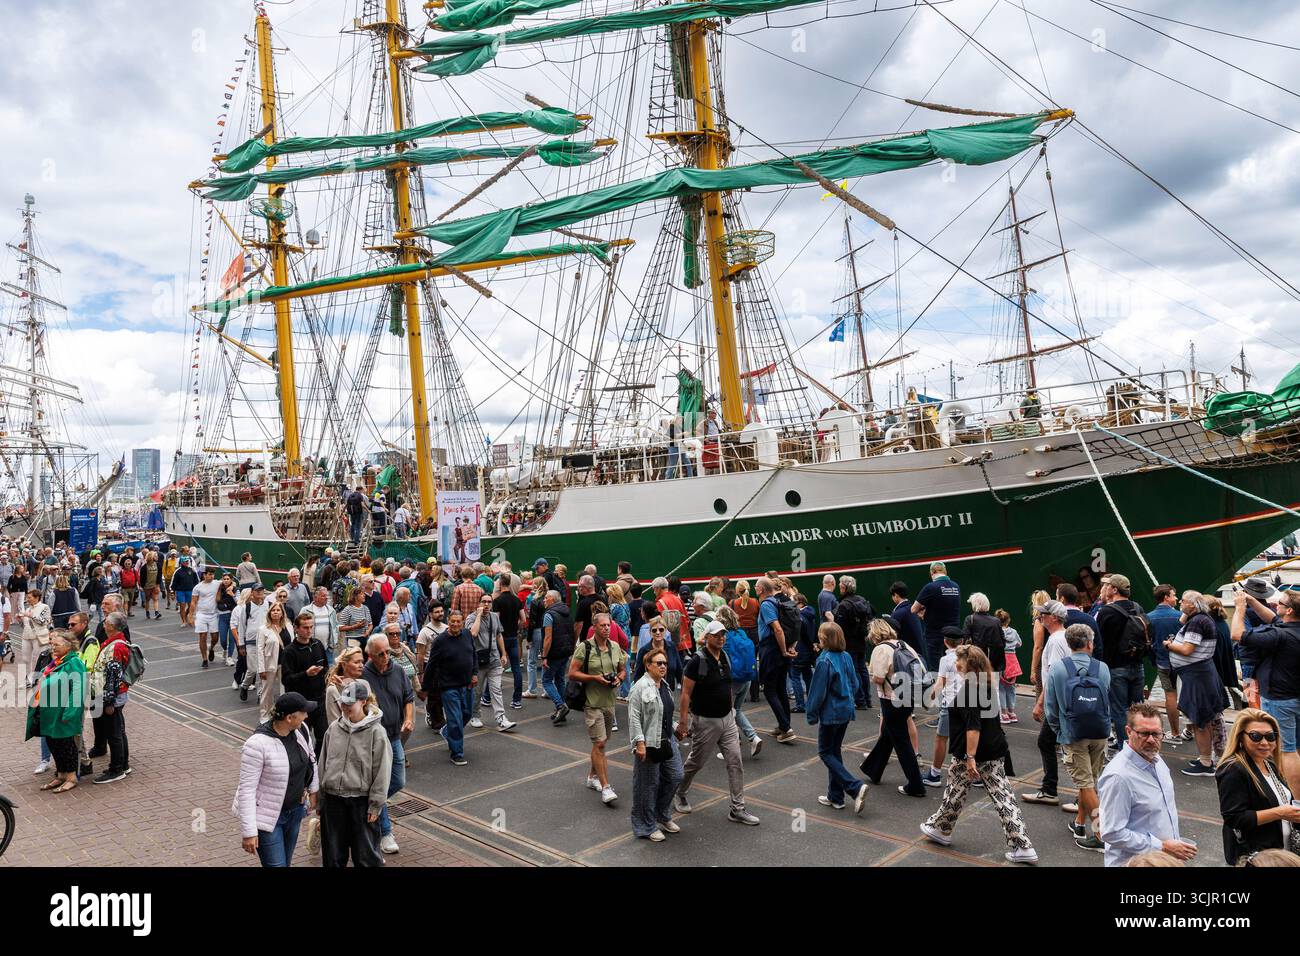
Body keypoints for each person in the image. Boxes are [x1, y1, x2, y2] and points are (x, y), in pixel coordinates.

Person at [921, 646, 1038, 864]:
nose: (955, 664)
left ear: (970, 665)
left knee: (958, 793)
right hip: (992, 749)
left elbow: (973, 728)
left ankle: (941, 829)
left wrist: (970, 757)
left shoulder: (970, 689)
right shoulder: (985, 682)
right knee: (997, 796)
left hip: (972, 754)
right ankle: (1022, 845)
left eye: (959, 661)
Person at [674, 620, 760, 825]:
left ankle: (737, 809)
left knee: (735, 762)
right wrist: (684, 722)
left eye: (723, 634)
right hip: (705, 722)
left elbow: (727, 685)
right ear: (707, 637)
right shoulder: (697, 661)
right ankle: (679, 792)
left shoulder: (725, 657)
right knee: (696, 762)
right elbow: (686, 693)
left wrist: (731, 710)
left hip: (727, 720)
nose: (721, 638)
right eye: (717, 635)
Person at [1096, 702, 1197, 867]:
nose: (1151, 740)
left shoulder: (1157, 760)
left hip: (1165, 859)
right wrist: (1162, 846)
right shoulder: (1118, 777)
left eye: (1156, 734)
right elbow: (1111, 832)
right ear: (1128, 732)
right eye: (1144, 733)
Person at [1045, 622, 1112, 851]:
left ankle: (1101, 832)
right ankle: (1079, 823)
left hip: (1073, 733)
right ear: (1090, 643)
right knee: (1089, 783)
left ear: (1069, 643)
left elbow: (1051, 707)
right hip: (1100, 732)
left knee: (1085, 783)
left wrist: (1058, 730)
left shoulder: (1058, 669)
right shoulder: (1102, 668)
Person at [233, 691, 320, 867]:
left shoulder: (301, 730)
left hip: (295, 811)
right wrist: (249, 832)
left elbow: (311, 759)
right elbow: (246, 790)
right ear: (289, 718)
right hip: (268, 819)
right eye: (303, 712)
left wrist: (313, 789)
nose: (306, 715)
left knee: (285, 863)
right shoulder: (257, 745)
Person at [1232, 586, 1300, 798]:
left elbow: (1236, 634)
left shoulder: (1279, 636)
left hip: (1281, 699)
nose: (1276, 604)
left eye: (1280, 603)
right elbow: (1273, 618)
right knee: (1297, 748)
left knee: (1286, 751)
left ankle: (1296, 801)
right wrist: (1252, 602)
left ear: (1289, 611)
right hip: (1294, 695)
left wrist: (1240, 608)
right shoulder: (1290, 629)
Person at [317, 676, 390, 867]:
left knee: (366, 859)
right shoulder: (333, 728)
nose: (345, 707)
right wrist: (321, 799)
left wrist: (376, 805)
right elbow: (323, 762)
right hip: (333, 801)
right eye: (343, 703)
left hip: (361, 802)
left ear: (364, 701)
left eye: (350, 703)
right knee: (333, 859)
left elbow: (382, 772)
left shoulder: (377, 733)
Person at [1215, 708, 1300, 865]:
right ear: (1240, 737)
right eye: (1255, 736)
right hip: (1258, 857)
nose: (1264, 742)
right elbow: (1234, 818)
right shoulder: (1233, 769)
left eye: (1270, 736)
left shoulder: (1269, 763)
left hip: (1281, 850)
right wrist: (1280, 813)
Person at [806, 621, 869, 813]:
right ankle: (836, 797)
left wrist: (812, 714)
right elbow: (855, 683)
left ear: (824, 638)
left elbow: (817, 693)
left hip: (830, 714)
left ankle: (854, 787)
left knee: (825, 752)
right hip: (845, 711)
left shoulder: (824, 661)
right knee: (835, 751)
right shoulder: (846, 656)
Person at [861, 618, 928, 797]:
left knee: (900, 741)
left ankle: (916, 785)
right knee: (889, 736)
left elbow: (879, 678)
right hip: (908, 696)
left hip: (891, 699)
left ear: (874, 633)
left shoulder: (880, 649)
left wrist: (872, 674)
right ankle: (873, 769)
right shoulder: (903, 644)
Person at [362, 632, 415, 855]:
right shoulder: (363, 676)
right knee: (381, 784)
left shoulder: (398, 670)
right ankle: (385, 832)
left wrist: (409, 718)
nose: (386, 657)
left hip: (394, 737)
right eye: (381, 654)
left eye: (388, 652)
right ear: (371, 655)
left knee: (398, 781)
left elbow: (408, 698)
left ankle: (369, 804)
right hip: (374, 741)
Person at [1165, 590, 1226, 777]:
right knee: (1203, 718)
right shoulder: (1199, 618)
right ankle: (1205, 758)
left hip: (1197, 675)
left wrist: (1169, 644)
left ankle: (1206, 762)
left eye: (1183, 601)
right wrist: (1191, 607)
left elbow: (1186, 650)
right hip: (1200, 673)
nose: (1179, 603)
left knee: (1200, 719)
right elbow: (1181, 621)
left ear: (1193, 605)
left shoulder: (1199, 622)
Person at [628, 644, 685, 841]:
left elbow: (664, 712)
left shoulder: (665, 685)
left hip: (666, 739)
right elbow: (634, 717)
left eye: (665, 664)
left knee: (676, 775)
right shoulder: (640, 688)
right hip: (649, 741)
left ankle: (662, 814)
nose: (663, 667)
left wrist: (676, 727)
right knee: (647, 785)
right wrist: (639, 743)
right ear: (648, 665)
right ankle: (646, 825)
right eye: (659, 663)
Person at [569, 612, 627, 805]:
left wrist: (619, 678)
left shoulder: (615, 647)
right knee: (600, 743)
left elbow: (623, 669)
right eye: (602, 625)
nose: (607, 628)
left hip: (609, 702)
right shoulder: (584, 648)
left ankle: (592, 777)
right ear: (595, 627)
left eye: (608, 625)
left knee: (600, 743)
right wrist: (594, 678)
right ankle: (606, 787)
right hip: (591, 702)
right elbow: (572, 673)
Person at [1021, 600, 1072, 807]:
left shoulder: (1055, 641)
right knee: (1054, 744)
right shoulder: (1065, 637)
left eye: (1044, 614)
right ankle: (1051, 788)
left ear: (1055, 618)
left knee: (1066, 748)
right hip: (1065, 701)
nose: (1040, 617)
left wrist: (1040, 702)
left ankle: (1054, 790)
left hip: (1057, 703)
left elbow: (1054, 675)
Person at [26, 628, 87, 794]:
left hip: (63, 713)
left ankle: (71, 777)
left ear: (68, 646)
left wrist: (70, 712)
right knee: (54, 743)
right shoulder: (57, 662)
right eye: (52, 644)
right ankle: (60, 775)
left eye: (57, 645)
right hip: (51, 712)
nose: (53, 647)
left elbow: (78, 689)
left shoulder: (74, 663)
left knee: (66, 745)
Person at [1095, 573, 1150, 751]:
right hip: (1137, 664)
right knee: (1138, 709)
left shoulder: (1106, 611)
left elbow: (1099, 641)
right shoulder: (1137, 607)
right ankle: (1141, 743)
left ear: (1114, 589)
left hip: (1115, 666)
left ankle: (1124, 747)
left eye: (1108, 586)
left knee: (1119, 710)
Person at [424, 609, 477, 766]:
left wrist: (474, 673)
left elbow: (473, 654)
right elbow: (432, 664)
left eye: (458, 621)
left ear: (462, 622)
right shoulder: (440, 641)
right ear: (449, 621)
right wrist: (424, 687)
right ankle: (457, 753)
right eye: (452, 621)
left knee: (466, 714)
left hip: (467, 685)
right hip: (449, 687)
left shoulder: (467, 634)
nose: (455, 624)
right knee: (455, 719)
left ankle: (447, 732)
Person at [88, 611, 132, 784]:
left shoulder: (116, 646)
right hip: (112, 695)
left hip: (111, 697)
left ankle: (117, 769)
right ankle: (123, 764)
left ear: (112, 626)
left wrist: (109, 701)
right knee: (117, 730)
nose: (103, 624)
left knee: (114, 733)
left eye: (105, 622)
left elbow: (113, 677)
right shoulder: (114, 643)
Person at [466, 592, 518, 733]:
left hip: (494, 659)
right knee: (477, 692)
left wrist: (503, 653)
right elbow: (473, 634)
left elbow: (499, 634)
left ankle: (501, 719)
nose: (487, 604)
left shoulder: (495, 617)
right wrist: (478, 615)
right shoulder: (471, 618)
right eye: (484, 601)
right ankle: (475, 715)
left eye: (489, 602)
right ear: (479, 603)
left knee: (496, 690)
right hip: (478, 661)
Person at [755, 577, 798, 744]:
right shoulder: (782, 602)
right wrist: (791, 647)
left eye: (757, 587)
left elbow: (778, 629)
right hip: (783, 648)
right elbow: (795, 626)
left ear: (761, 589)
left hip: (772, 649)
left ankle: (786, 729)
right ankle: (782, 725)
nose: (755, 589)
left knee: (769, 689)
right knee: (780, 688)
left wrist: (783, 651)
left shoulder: (766, 604)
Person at [281, 611, 329, 756]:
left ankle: (316, 761)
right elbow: (286, 679)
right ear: (296, 629)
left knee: (324, 736)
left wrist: (327, 674)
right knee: (301, 739)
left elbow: (326, 666)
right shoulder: (290, 651)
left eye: (311, 627)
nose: (309, 631)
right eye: (305, 627)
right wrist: (306, 674)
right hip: (301, 703)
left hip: (319, 700)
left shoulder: (317, 645)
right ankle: (304, 762)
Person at [716, 606, 762, 758]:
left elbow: (722, 660)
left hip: (733, 681)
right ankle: (753, 737)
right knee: (737, 710)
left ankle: (731, 748)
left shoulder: (725, 637)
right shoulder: (741, 633)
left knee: (727, 713)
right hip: (746, 678)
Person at [922, 627, 964, 787]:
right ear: (962, 641)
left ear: (945, 642)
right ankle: (977, 775)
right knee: (968, 736)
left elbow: (940, 684)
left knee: (941, 738)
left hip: (951, 703)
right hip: (970, 702)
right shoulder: (971, 654)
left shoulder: (946, 660)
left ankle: (934, 774)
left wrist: (930, 698)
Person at [1147, 584, 1185, 743]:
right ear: (1166, 597)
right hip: (1183, 661)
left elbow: (1148, 641)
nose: (1176, 598)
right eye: (1174, 595)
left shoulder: (1148, 617)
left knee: (1170, 695)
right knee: (1187, 694)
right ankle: (1188, 730)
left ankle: (1175, 733)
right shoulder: (1181, 616)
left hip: (1162, 662)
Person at [832, 575, 873, 710]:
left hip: (849, 643)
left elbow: (839, 627)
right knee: (862, 670)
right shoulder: (862, 600)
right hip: (861, 640)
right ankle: (867, 699)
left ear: (844, 587)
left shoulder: (844, 605)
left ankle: (860, 701)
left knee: (853, 671)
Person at [912, 561, 960, 671]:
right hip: (953, 634)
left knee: (936, 668)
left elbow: (913, 609)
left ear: (932, 572)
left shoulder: (930, 587)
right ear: (945, 571)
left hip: (935, 636)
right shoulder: (956, 586)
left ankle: (939, 687)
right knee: (953, 666)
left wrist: (923, 612)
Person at [491, 573, 526, 711]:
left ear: (500, 584)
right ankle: (517, 700)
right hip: (513, 637)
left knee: (494, 668)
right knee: (516, 668)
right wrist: (515, 625)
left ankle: (489, 697)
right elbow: (523, 619)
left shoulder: (498, 601)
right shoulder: (517, 600)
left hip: (501, 638)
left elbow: (496, 622)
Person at [541, 590, 574, 724]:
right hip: (565, 651)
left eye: (546, 597)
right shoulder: (566, 611)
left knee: (546, 681)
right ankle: (562, 710)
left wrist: (544, 656)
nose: (544, 600)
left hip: (554, 652)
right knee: (560, 679)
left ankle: (560, 706)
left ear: (552, 600)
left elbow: (548, 638)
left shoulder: (549, 615)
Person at [232, 583, 269, 702]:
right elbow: (242, 627)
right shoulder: (246, 608)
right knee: (252, 669)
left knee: (262, 670)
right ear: (252, 593)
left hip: (265, 642)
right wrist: (241, 644)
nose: (259, 592)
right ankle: (244, 685)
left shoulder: (268, 605)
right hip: (251, 642)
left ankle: (260, 694)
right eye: (257, 590)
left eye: (261, 590)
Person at [256, 600, 291, 723]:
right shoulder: (263, 629)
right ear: (270, 613)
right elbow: (259, 649)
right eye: (273, 610)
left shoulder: (288, 626)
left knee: (284, 691)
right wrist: (261, 669)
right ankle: (265, 715)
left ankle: (282, 714)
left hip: (285, 664)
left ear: (282, 613)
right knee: (267, 692)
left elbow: (291, 644)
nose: (276, 612)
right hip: (269, 664)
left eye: (278, 610)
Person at [18, 586, 52, 684]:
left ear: (36, 597)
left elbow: (44, 621)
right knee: (25, 659)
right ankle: (28, 679)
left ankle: (35, 679)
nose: (27, 599)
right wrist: (20, 620)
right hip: (26, 636)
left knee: (37, 659)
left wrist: (31, 616)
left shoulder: (44, 607)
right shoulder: (28, 609)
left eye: (29, 597)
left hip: (39, 636)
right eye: (27, 597)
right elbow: (25, 625)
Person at [325, 646, 366, 725]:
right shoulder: (333, 690)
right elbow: (334, 724)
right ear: (344, 665)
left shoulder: (364, 684)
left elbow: (372, 712)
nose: (361, 665)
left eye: (362, 662)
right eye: (356, 662)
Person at [995, 609, 1023, 722]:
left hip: (1001, 660)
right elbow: (1019, 643)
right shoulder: (1014, 632)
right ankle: (1012, 712)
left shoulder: (996, 631)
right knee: (1011, 687)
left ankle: (1004, 713)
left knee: (1001, 687)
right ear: (1009, 620)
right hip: (1012, 661)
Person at [192, 566, 221, 669]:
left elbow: (230, 582)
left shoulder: (217, 583)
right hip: (201, 615)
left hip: (214, 614)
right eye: (209, 574)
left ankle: (211, 648)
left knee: (215, 637)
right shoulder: (197, 587)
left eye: (213, 574)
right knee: (203, 636)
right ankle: (204, 659)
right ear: (204, 575)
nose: (212, 576)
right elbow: (193, 601)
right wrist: (190, 616)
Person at [889, 581, 926, 661]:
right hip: (920, 654)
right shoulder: (913, 609)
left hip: (907, 657)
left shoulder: (898, 613)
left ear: (896, 595)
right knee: (918, 673)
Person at [170, 558, 198, 627]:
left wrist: (197, 590)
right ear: (181, 562)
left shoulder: (192, 570)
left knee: (191, 606)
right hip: (180, 591)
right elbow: (173, 583)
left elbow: (196, 580)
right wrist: (172, 592)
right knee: (182, 606)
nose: (187, 562)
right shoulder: (177, 571)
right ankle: (184, 621)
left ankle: (186, 615)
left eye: (187, 561)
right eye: (185, 561)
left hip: (190, 591)